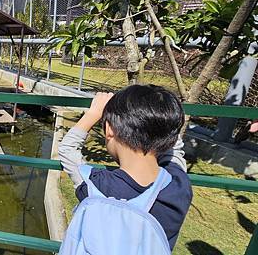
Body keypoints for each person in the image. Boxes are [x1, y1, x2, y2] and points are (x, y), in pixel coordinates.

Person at [58, 85, 192, 253]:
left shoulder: (96, 186)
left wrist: (92, 114)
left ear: (109, 130)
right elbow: (176, 151)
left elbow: (67, 150)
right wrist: (162, 116)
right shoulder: (179, 186)